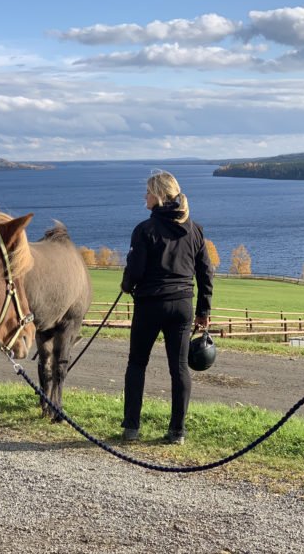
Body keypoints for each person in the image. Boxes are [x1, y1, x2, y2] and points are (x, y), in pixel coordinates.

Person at [120, 170, 214, 445]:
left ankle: (132, 427)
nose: (144, 197)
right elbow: (206, 273)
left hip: (150, 304)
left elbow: (135, 271)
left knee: (137, 363)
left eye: (148, 192)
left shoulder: (144, 230)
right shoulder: (194, 229)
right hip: (183, 305)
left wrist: (126, 284)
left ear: (159, 196)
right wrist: (204, 311)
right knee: (180, 367)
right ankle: (177, 431)